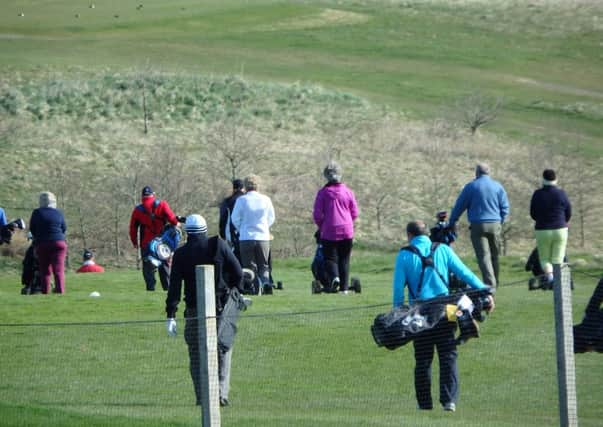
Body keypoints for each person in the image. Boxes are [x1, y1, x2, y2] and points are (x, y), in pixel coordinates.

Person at [392, 220, 494, 412]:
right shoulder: (443, 250)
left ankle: (424, 404)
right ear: (427, 235)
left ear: (409, 236)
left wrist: (398, 313)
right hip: (447, 309)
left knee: (423, 359)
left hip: (419, 313)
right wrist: (486, 292)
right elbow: (464, 273)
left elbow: (398, 290)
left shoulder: (404, 255)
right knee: (448, 355)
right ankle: (449, 401)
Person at [165, 214, 244, 407]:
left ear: (187, 232)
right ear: (205, 229)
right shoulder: (218, 244)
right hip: (220, 308)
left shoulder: (181, 254)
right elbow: (239, 273)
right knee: (223, 350)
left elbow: (174, 287)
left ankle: (202, 396)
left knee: (196, 354)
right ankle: (220, 393)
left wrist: (171, 315)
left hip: (193, 311)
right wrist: (235, 293)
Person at [449, 162, 510, 288]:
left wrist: (453, 220)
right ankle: (496, 281)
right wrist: (501, 221)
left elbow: (460, 205)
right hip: (495, 224)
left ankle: (489, 284)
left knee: (483, 256)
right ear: (489, 172)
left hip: (478, 224)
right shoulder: (498, 186)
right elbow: (505, 207)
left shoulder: (471, 187)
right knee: (494, 254)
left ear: (476, 173)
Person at [312, 161, 359, 294]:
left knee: (330, 258)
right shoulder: (348, 192)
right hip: (347, 230)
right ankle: (344, 289)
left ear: (326, 176)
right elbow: (355, 212)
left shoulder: (322, 193)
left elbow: (317, 214)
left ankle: (335, 278)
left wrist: (322, 226)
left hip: (329, 230)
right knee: (344, 259)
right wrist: (349, 221)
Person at [231, 175, 275, 294]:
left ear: (245, 186)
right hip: (263, 237)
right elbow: (271, 217)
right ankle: (266, 282)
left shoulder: (241, 200)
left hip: (246, 237)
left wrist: (241, 228)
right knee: (264, 265)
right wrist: (265, 227)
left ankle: (255, 288)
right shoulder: (266, 199)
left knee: (249, 267)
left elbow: (234, 218)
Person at [129, 186, 179, 291]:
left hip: (146, 244)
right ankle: (167, 288)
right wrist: (177, 223)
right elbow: (172, 219)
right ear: (153, 194)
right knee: (164, 266)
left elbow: (133, 228)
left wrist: (134, 242)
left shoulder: (138, 210)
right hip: (162, 243)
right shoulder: (162, 204)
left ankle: (150, 289)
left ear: (142, 196)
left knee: (148, 269)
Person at [530, 169, 571, 287]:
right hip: (560, 229)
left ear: (543, 180)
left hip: (542, 230)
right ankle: (559, 283)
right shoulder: (561, 193)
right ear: (555, 179)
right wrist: (563, 222)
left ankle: (550, 278)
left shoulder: (537, 194)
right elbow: (568, 212)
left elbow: (533, 213)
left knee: (544, 259)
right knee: (558, 258)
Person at [29, 191, 68, 294]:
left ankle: (45, 291)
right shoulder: (58, 212)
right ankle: (60, 290)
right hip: (59, 243)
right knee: (58, 269)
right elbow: (64, 228)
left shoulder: (37, 212)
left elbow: (32, 228)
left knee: (45, 270)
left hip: (43, 243)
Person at [219, 179, 245, 262]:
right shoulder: (246, 200)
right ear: (243, 188)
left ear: (233, 188)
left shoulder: (227, 201)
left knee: (232, 258)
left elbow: (223, 218)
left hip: (229, 233)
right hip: (246, 233)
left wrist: (222, 233)